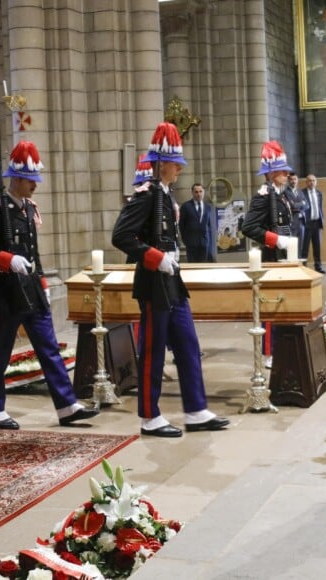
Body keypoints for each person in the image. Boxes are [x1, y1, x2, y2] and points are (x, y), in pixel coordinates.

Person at [0, 141, 99, 430]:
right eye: (30, 181)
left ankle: (67, 406)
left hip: (31, 290)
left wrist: (42, 281)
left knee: (49, 347)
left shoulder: (29, 209)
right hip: (7, 293)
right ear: (16, 179)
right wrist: (5, 259)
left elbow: (34, 253)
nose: (35, 186)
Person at [111, 122, 229, 437]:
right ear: (163, 164)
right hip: (153, 281)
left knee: (188, 343)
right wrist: (155, 257)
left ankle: (195, 410)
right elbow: (121, 236)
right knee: (152, 350)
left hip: (172, 280)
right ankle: (150, 416)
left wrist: (170, 259)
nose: (179, 169)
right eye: (176, 164)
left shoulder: (165, 194)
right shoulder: (147, 195)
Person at [241, 140, 294, 369]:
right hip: (271, 257)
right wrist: (276, 240)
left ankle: (282, 347)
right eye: (282, 170)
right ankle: (270, 352)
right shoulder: (263, 196)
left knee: (284, 303)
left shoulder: (281, 195)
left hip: (284, 257)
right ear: (272, 173)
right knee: (271, 305)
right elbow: (248, 227)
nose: (286, 174)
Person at [179, 183, 214, 262]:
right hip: (191, 243)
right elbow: (181, 225)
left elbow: (209, 226)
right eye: (196, 192)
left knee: (203, 268)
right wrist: (186, 240)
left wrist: (209, 242)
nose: (199, 194)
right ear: (192, 192)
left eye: (200, 191)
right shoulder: (186, 206)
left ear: (203, 192)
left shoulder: (208, 207)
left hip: (204, 243)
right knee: (192, 267)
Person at [301, 174, 326, 274]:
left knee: (317, 247)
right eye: (309, 181)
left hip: (317, 223)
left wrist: (322, 219)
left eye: (313, 181)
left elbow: (320, 208)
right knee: (305, 247)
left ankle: (318, 266)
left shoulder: (319, 193)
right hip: (307, 224)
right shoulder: (302, 193)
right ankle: (304, 267)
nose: (311, 183)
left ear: (316, 182)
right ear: (306, 182)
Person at [283, 172, 307, 259]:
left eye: (295, 179)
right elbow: (291, 206)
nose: (293, 181)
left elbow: (307, 205)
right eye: (292, 179)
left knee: (300, 245)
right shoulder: (285, 192)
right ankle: (293, 263)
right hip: (292, 222)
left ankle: (299, 264)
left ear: (297, 180)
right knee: (292, 246)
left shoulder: (300, 191)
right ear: (289, 180)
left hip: (301, 222)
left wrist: (297, 205)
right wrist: (301, 203)